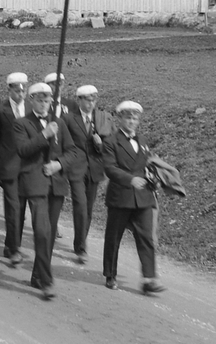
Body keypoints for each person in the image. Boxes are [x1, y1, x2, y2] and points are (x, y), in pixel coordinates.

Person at [14, 82, 82, 299]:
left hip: (56, 184)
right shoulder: (21, 124)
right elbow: (23, 150)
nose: (44, 104)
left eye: (47, 100)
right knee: (42, 231)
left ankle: (37, 275)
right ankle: (46, 280)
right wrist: (44, 135)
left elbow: (73, 151)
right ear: (31, 100)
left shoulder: (59, 123)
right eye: (40, 100)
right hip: (35, 183)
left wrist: (59, 164)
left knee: (49, 234)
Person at [101, 101, 165, 294]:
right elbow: (110, 168)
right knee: (114, 237)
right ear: (120, 119)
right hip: (121, 197)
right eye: (128, 118)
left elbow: (147, 164)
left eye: (135, 118)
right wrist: (130, 180)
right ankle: (110, 274)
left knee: (146, 237)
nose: (131, 122)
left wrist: (155, 178)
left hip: (143, 197)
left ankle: (148, 278)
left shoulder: (143, 141)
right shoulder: (111, 142)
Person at [61, 83, 112, 264]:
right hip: (76, 168)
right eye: (87, 100)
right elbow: (63, 143)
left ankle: (80, 241)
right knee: (80, 205)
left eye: (94, 100)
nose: (91, 104)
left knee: (88, 208)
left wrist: (99, 144)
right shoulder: (69, 119)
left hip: (95, 168)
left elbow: (110, 146)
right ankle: (81, 247)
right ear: (79, 100)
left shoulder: (103, 118)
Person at [0, 72, 29, 266]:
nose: (21, 94)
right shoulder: (0, 111)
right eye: (17, 90)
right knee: (12, 208)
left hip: (28, 167)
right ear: (9, 90)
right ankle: (14, 249)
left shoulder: (31, 109)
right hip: (8, 167)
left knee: (21, 208)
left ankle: (10, 243)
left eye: (23, 89)